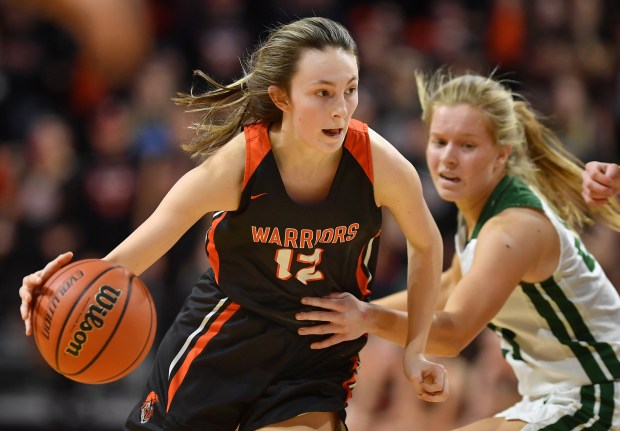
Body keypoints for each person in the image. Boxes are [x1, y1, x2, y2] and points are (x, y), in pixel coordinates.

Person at [18, 17, 448, 431]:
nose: (341, 109)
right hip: (224, 339)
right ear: (281, 97)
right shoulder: (239, 164)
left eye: (350, 90)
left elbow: (427, 245)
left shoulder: (378, 163)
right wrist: (64, 287)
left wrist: (414, 349)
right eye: (322, 93)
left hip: (314, 353)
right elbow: (132, 255)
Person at [296, 70, 620, 430]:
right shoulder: (479, 209)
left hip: (601, 394)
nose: (448, 158)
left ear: (500, 155)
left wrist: (365, 319)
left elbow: (453, 333)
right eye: (440, 141)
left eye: (466, 145)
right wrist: (339, 314)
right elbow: (449, 287)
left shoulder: (511, 230)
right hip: (555, 395)